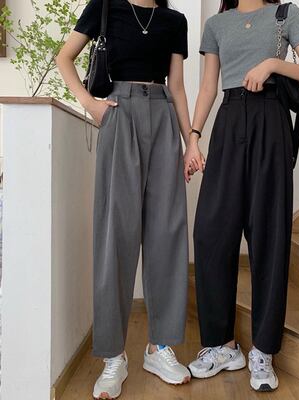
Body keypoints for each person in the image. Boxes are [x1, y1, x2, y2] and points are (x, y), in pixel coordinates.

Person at [185, 0, 299, 392]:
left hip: (271, 120)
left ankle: (263, 351)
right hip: (229, 120)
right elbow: (209, 87)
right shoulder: (217, 24)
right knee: (211, 233)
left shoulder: (286, 14)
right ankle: (221, 345)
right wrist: (194, 138)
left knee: (269, 236)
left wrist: (273, 64)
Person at [56, 0, 195, 398]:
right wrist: (90, 104)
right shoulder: (105, 7)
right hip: (119, 114)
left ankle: (160, 346)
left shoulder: (175, 20)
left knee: (167, 234)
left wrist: (191, 141)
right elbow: (65, 57)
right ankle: (113, 356)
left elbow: (177, 86)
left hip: (163, 116)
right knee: (115, 235)